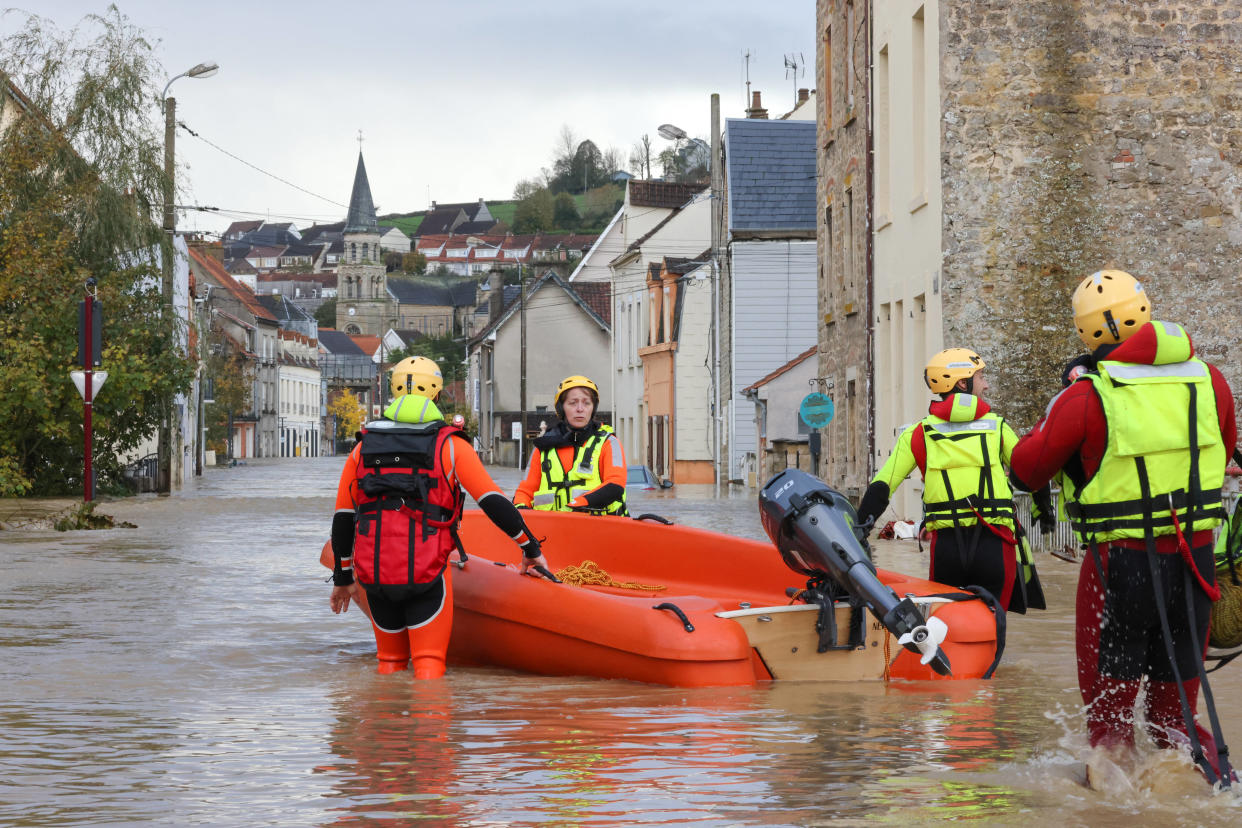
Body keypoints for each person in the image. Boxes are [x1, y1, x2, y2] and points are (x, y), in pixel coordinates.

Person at [1009, 269, 1236, 784]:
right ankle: (1214, 793)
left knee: (1109, 724)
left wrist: (1064, 396)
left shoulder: (1088, 396)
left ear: (1086, 334)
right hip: (1195, 567)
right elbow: (1223, 446)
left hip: (1121, 570)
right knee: (1175, 719)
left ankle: (1109, 808)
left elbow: (1026, 468)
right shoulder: (1210, 379)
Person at [329, 356, 550, 679]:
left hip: (375, 576)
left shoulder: (362, 449)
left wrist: (343, 577)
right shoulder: (451, 446)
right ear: (435, 394)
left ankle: (382, 724)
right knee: (429, 663)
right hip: (427, 574)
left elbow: (344, 518)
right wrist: (529, 548)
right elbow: (493, 503)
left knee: (389, 663)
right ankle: (430, 727)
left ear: (392, 392)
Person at [856, 348, 1047, 613]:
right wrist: (1044, 509)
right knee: (992, 627)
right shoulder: (997, 427)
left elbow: (882, 486)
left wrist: (857, 532)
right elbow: (1032, 470)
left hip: (947, 549)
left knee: (946, 627)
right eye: (981, 377)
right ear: (962, 383)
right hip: (994, 545)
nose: (986, 384)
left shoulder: (918, 433)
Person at [514, 375, 628, 515]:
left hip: (600, 531)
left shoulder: (609, 443)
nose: (580, 409)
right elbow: (525, 491)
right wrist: (520, 509)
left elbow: (615, 485)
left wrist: (577, 505)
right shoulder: (543, 447)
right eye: (573, 403)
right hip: (551, 532)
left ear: (593, 408)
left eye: (586, 403)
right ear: (561, 408)